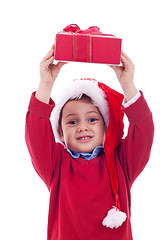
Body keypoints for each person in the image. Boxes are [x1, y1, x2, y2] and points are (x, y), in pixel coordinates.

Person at [25, 45, 154, 240]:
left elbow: (144, 129)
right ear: (60, 132)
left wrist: (128, 84)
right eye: (72, 121)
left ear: (106, 127)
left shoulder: (122, 162)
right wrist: (45, 84)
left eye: (92, 119)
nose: (82, 127)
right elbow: (35, 132)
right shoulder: (55, 165)